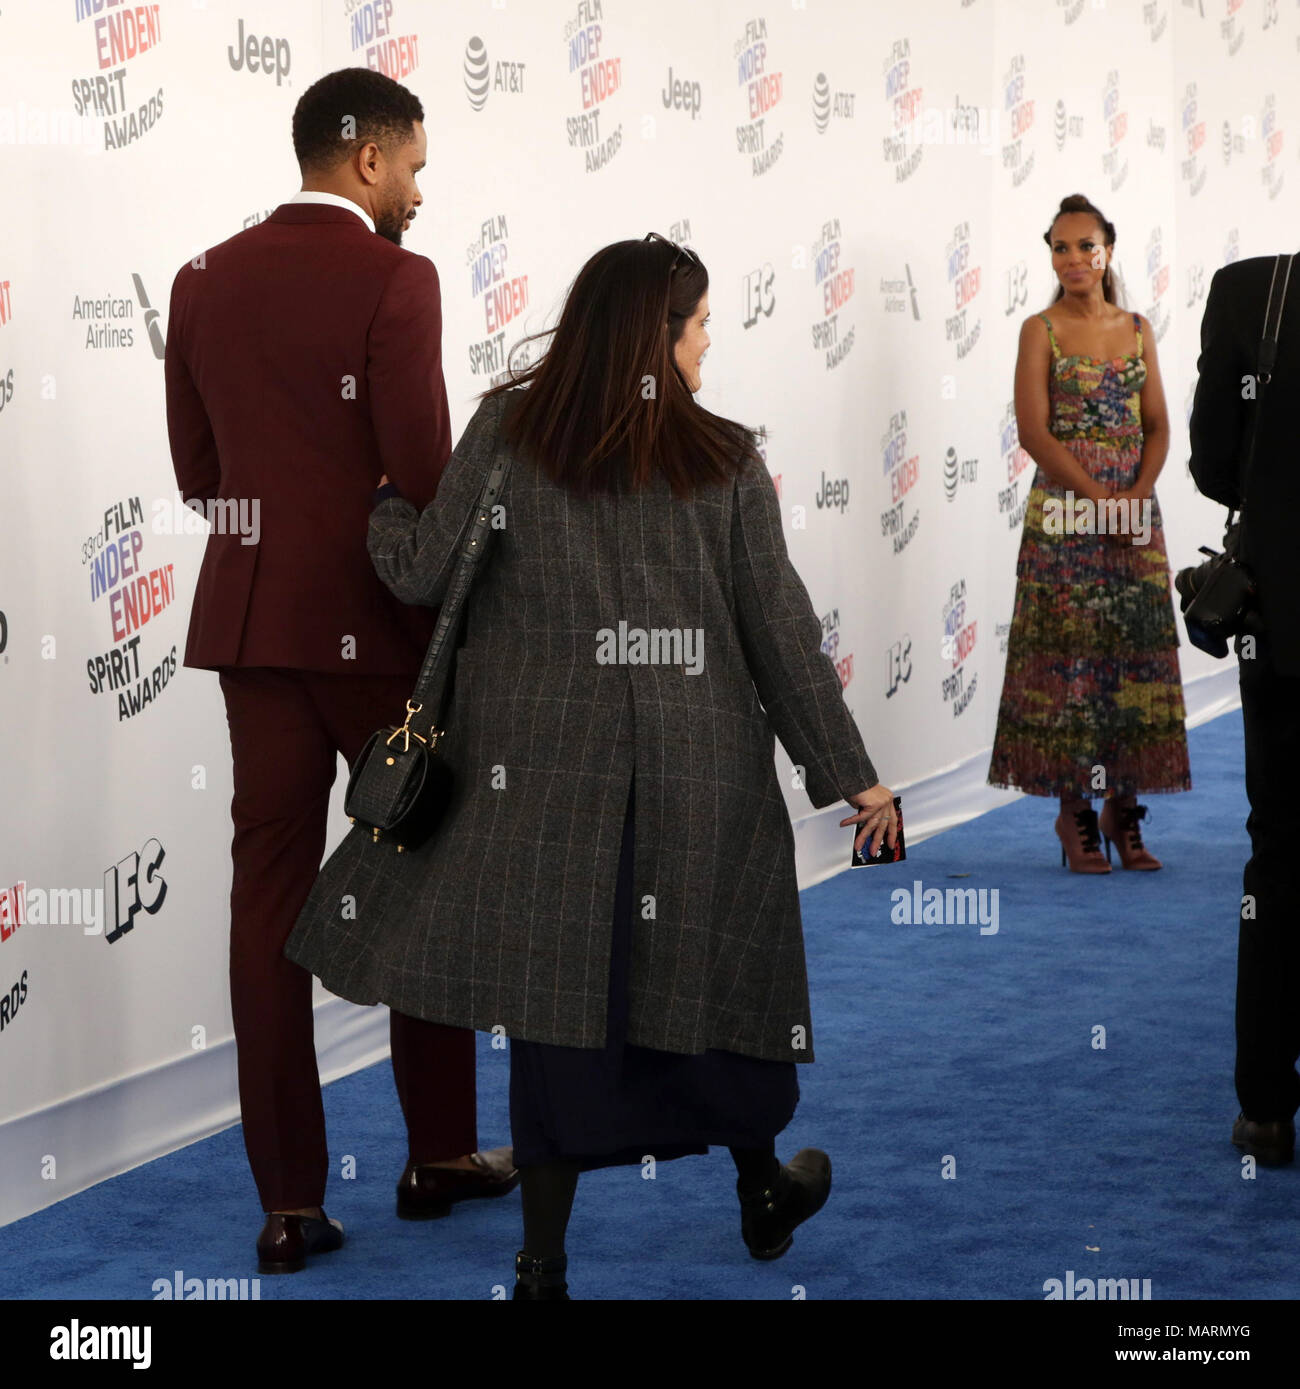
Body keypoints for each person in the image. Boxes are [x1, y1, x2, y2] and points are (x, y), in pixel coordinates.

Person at [285, 232, 896, 1299]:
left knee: (562, 1014)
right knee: (710, 988)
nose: (710, 342)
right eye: (700, 323)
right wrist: (852, 776)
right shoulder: (726, 459)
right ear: (655, 335)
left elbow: (426, 571)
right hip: (698, 777)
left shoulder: (510, 431)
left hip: (538, 783)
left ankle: (541, 1267)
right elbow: (780, 634)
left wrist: (385, 510)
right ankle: (758, 1189)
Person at [163, 67, 516, 1277]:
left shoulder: (202, 279)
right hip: (377, 633)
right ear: (366, 158)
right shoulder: (396, 278)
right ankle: (440, 1154)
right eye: (415, 166)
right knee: (421, 869)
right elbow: (420, 480)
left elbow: (200, 477)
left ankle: (289, 1205)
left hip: (252, 632)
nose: (418, 192)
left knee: (266, 903)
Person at [988, 193, 1190, 871]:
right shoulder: (1038, 330)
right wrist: (1096, 497)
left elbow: (1159, 424)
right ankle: (1073, 813)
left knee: (1132, 660)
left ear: (1109, 249)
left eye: (1086, 245)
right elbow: (1034, 432)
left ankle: (1123, 810)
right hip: (1067, 519)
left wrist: (1133, 496)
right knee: (1066, 664)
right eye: (1060, 247)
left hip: (1133, 518)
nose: (1073, 258)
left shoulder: (1137, 327)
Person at [1188, 252, 1300, 1168]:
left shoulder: (1252, 288)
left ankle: (1266, 1109)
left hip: (1282, 628)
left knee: (1281, 857)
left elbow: (1215, 463)